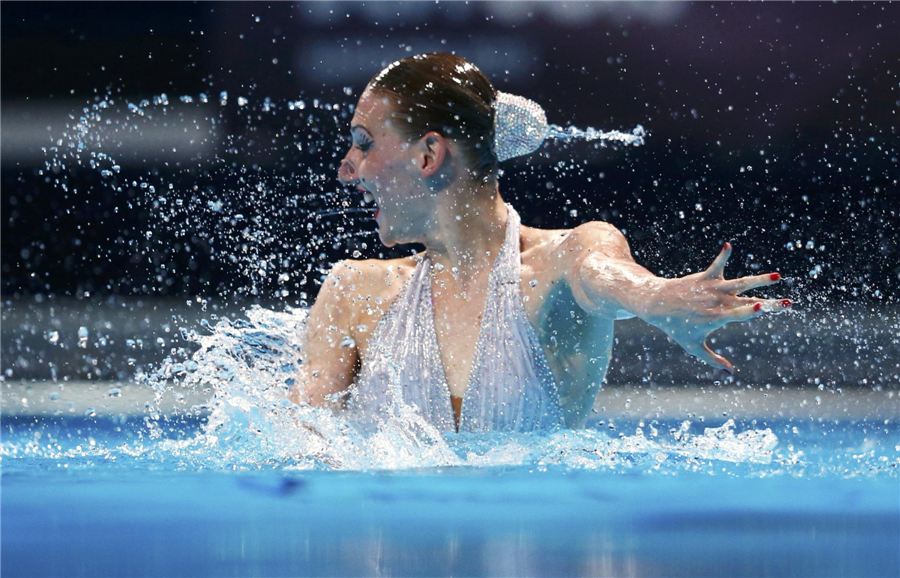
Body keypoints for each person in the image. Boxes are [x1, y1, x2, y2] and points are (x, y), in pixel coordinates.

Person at [289, 53, 789, 432]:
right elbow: (303, 449)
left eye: (364, 141)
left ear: (428, 155)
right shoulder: (355, 291)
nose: (347, 168)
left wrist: (661, 300)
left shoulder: (564, 262)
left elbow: (614, 278)